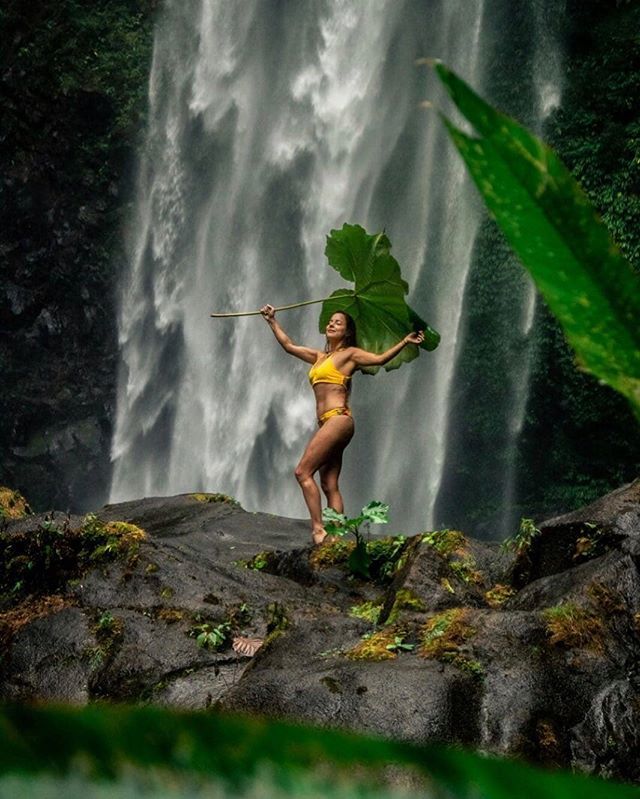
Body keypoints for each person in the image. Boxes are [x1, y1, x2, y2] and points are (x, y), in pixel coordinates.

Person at [260, 304, 425, 545]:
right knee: (329, 483)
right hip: (327, 422)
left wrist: (405, 341)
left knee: (302, 472)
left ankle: (318, 529)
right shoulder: (319, 357)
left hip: (339, 419)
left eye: (338, 322)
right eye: (330, 321)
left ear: (347, 332)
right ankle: (335, 536)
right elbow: (289, 346)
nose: (331, 324)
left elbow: (378, 360)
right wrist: (272, 321)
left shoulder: (350, 354)